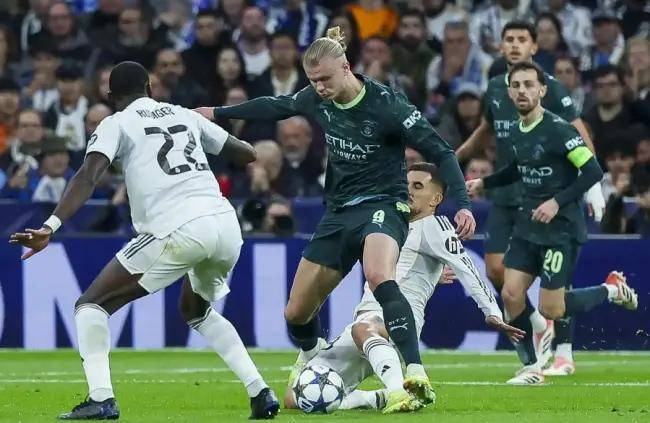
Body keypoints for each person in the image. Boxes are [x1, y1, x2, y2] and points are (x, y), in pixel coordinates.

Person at [195, 26, 475, 407]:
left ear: (346, 68)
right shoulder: (316, 98)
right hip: (340, 211)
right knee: (296, 313)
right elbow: (277, 106)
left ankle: (414, 372)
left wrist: (462, 202)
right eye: (313, 81)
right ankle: (314, 360)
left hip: (383, 204)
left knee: (378, 275)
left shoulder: (387, 105)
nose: (319, 88)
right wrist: (217, 112)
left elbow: (441, 151)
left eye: (325, 79)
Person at [9, 61, 279, 420]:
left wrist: (51, 225)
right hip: (225, 224)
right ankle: (260, 391)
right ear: (150, 88)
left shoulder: (116, 123)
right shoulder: (185, 114)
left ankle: (101, 398)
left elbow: (88, 175)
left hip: (177, 227)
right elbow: (247, 154)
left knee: (91, 304)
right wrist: (205, 124)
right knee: (196, 310)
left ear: (111, 96)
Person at [283, 163, 522, 413]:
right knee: (297, 397)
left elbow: (467, 268)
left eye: (418, 186)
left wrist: (492, 312)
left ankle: (398, 390)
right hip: (363, 324)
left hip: (396, 322)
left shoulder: (435, 226)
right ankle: (379, 397)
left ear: (436, 199)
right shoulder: (388, 225)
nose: (408, 191)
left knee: (363, 328)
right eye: (406, 184)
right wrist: (431, 275)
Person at [465, 61, 638, 384]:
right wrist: (484, 183)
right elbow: (517, 169)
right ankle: (531, 367)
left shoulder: (559, 130)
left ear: (542, 90)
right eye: (516, 85)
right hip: (528, 225)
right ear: (509, 92)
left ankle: (611, 290)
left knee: (552, 309)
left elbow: (592, 170)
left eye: (529, 85)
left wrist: (557, 202)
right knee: (511, 294)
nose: (522, 91)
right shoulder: (515, 131)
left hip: (561, 228)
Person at [456, 21, 604, 376]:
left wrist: (590, 186)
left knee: (555, 294)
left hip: (554, 204)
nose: (515, 45)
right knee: (502, 280)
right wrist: (460, 166)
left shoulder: (551, 101)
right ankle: (536, 341)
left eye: (522, 39)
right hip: (516, 198)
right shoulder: (499, 92)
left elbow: (579, 139)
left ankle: (565, 349)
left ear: (535, 48)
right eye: (508, 39)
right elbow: (493, 137)